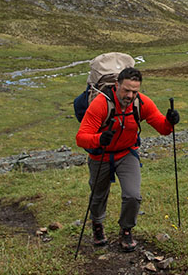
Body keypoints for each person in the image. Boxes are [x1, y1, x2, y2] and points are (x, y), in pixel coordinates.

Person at [75, 66, 179, 251]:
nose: (130, 96)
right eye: (126, 90)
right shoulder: (100, 104)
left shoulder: (142, 103)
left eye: (134, 91)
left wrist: (170, 122)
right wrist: (99, 139)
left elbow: (163, 129)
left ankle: (126, 230)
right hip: (101, 155)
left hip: (126, 153)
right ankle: (97, 226)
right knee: (98, 195)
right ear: (117, 85)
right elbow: (81, 137)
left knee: (133, 195)